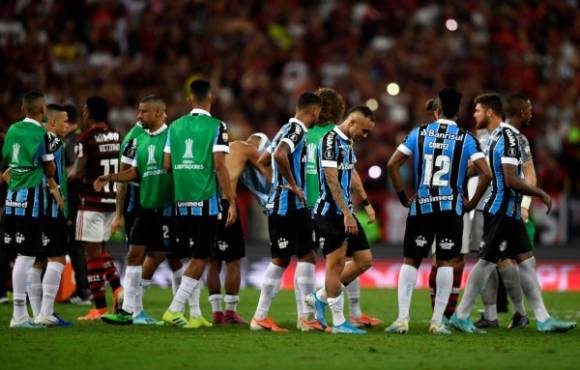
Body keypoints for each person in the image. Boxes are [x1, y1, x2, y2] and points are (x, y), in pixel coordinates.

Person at [450, 93, 577, 333]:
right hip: (500, 211)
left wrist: (521, 203)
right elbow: (509, 179)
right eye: (528, 109)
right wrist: (539, 192)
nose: (531, 113)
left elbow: (492, 175)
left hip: (509, 212)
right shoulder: (508, 137)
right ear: (520, 112)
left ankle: (543, 319)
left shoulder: (505, 136)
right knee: (486, 262)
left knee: (527, 263)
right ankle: (461, 315)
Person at [385, 87, 492, 335]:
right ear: (458, 112)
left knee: (411, 261)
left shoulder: (419, 133)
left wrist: (403, 197)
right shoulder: (466, 138)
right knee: (446, 262)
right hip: (450, 210)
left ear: (437, 110)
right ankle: (437, 322)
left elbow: (392, 164)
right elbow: (486, 173)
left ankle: (402, 320)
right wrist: (472, 202)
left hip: (421, 206)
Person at [161, 79, 237, 329]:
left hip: (180, 202)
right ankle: (174, 309)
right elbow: (219, 165)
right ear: (211, 98)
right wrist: (231, 201)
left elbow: (167, 165)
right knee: (201, 256)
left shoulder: (174, 126)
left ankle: (194, 314)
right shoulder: (217, 126)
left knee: (191, 258)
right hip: (206, 202)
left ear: (189, 99)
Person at [95, 95, 177, 325]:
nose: (138, 116)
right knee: (135, 254)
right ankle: (132, 310)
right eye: (138, 111)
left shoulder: (174, 136)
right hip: (141, 204)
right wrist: (118, 211)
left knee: (168, 256)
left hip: (169, 207)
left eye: (144, 112)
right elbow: (128, 175)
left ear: (160, 113)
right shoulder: (135, 137)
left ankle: (179, 310)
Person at [305, 89, 380, 329]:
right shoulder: (330, 140)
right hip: (330, 213)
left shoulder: (348, 142)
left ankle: (320, 298)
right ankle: (338, 322)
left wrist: (366, 203)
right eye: (364, 130)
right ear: (352, 121)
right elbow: (330, 177)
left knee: (364, 260)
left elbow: (352, 173)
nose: (365, 135)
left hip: (345, 211)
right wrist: (347, 213)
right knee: (335, 265)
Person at [250, 92, 322, 332]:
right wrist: (292, 184)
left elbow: (262, 160)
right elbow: (280, 155)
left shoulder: (283, 128)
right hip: (290, 204)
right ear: (315, 112)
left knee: (293, 257)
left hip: (282, 202)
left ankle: (297, 318)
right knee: (301, 257)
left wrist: (278, 184)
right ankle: (303, 318)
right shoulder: (298, 130)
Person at [474, 93, 537, 329]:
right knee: (491, 259)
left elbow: (530, 172)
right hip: (482, 207)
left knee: (503, 259)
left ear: (491, 111)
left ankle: (521, 313)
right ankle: (493, 315)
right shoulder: (480, 135)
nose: (475, 115)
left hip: (504, 207)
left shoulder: (515, 138)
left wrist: (525, 205)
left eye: (478, 110)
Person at [2, 92, 63, 328]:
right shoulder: (42, 135)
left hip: (11, 200)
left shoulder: (12, 130)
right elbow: (49, 169)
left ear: (22, 108)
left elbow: (8, 158)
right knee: (26, 256)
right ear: (42, 110)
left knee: (22, 256)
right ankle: (18, 314)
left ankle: (22, 313)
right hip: (31, 201)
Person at [207, 133, 272, 325]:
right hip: (226, 206)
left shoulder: (224, 147)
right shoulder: (248, 150)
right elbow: (270, 174)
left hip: (207, 205)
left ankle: (216, 312)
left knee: (213, 261)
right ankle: (230, 312)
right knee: (233, 260)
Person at [69, 96, 122, 320]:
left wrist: (64, 176)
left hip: (90, 201)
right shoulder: (116, 135)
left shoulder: (86, 138)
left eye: (84, 109)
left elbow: (79, 172)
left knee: (91, 255)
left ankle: (99, 307)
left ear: (89, 112)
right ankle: (118, 289)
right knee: (99, 251)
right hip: (111, 200)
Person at [63, 104, 91, 305]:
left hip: (75, 198)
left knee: (76, 245)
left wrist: (57, 178)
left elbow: (76, 168)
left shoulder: (74, 140)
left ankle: (84, 291)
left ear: (68, 122)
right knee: (73, 245)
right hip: (74, 198)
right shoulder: (72, 139)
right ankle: (81, 290)